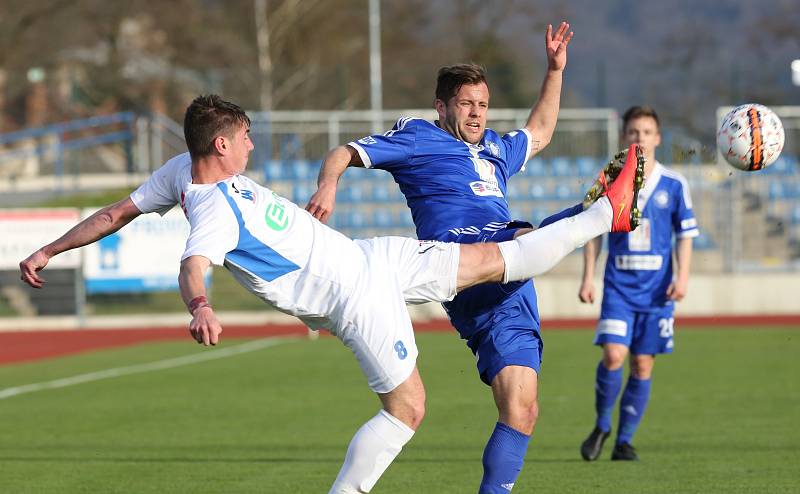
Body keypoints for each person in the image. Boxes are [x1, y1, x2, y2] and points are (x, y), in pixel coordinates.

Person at [19, 95, 642, 493]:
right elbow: (193, 264)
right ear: (220, 145)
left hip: (369, 254)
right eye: (244, 138)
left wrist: (49, 247)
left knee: (491, 260)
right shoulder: (209, 206)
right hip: (354, 297)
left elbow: (114, 214)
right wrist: (200, 305)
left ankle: (601, 216)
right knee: (408, 410)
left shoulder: (181, 171)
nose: (251, 147)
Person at [306, 22, 575, 493]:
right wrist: (328, 183)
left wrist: (554, 70)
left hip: (513, 283)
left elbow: (541, 131)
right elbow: (343, 152)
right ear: (442, 106)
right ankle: (592, 214)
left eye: (483, 105)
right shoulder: (417, 137)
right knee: (538, 233)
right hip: (460, 264)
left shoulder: (495, 149)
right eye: (467, 104)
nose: (477, 114)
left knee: (522, 410)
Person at [578, 106, 698, 462]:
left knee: (643, 364)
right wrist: (588, 277)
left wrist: (683, 276)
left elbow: (685, 234)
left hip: (658, 292)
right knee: (614, 355)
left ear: (657, 138)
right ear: (624, 137)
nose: (639, 138)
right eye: (633, 132)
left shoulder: (675, 184)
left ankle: (624, 440)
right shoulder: (609, 177)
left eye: (646, 132)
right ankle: (602, 424)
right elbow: (590, 232)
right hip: (618, 288)